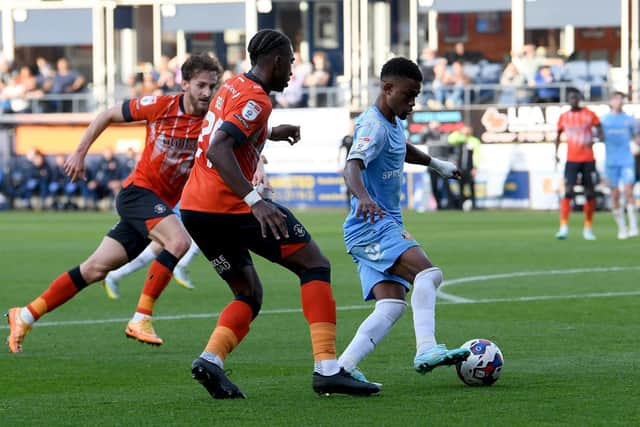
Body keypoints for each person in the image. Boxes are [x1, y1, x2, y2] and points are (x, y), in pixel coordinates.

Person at [179, 29, 379, 399]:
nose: (292, 70)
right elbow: (219, 148)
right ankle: (327, 368)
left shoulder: (234, 85)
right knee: (314, 264)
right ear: (274, 61)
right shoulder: (258, 98)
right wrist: (256, 201)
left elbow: (225, 128)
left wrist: (267, 133)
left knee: (248, 294)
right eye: (290, 62)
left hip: (196, 211)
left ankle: (211, 359)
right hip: (231, 207)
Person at [6, 53, 222, 353]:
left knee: (94, 269)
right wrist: (80, 152)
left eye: (213, 86)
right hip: (138, 193)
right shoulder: (159, 106)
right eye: (200, 85)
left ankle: (26, 314)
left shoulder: (213, 119)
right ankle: (141, 317)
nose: (207, 92)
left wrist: (271, 138)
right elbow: (108, 114)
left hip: (155, 204)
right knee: (178, 241)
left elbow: (242, 136)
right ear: (184, 83)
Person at [337, 57, 470, 386]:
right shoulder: (371, 125)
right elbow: (352, 165)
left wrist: (435, 163)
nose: (412, 103)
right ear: (387, 88)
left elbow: (401, 148)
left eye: (416, 96)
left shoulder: (391, 122)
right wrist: (363, 197)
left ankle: (342, 368)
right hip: (372, 224)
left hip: (376, 225)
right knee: (428, 274)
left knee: (392, 305)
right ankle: (426, 348)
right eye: (408, 95)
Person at [554, 88, 604, 240]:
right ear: (568, 100)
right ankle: (563, 227)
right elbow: (557, 135)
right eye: (571, 98)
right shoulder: (564, 116)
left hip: (588, 159)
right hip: (572, 160)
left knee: (590, 193)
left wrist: (596, 139)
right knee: (568, 191)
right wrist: (555, 154)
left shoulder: (589, 114)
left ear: (579, 98)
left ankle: (588, 229)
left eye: (575, 97)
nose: (573, 100)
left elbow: (600, 130)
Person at [600, 92, 638, 239]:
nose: (619, 101)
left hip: (626, 160)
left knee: (628, 191)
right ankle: (622, 228)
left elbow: (637, 137)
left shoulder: (629, 120)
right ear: (610, 102)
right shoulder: (604, 120)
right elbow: (597, 135)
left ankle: (634, 226)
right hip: (611, 162)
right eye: (616, 99)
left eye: (621, 99)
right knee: (615, 195)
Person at [447, 125, 481, 210]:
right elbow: (450, 139)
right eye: (464, 131)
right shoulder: (459, 139)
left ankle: (474, 206)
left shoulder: (474, 141)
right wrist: (459, 133)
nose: (466, 133)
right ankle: (460, 206)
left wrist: (475, 167)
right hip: (460, 168)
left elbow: (477, 155)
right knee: (460, 187)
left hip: (470, 168)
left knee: (471, 188)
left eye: (467, 131)